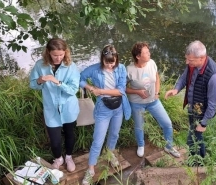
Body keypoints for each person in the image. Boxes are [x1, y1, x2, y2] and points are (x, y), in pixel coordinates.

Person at [80, 45, 131, 184]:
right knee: (98, 140)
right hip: (103, 108)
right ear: (102, 59)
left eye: (112, 62)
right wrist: (90, 87)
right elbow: (80, 77)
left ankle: (109, 154)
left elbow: (121, 90)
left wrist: (100, 91)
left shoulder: (121, 68)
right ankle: (90, 169)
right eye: (106, 62)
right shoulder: (95, 69)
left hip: (118, 107)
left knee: (114, 134)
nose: (109, 65)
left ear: (116, 59)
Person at [165, 40, 216, 160]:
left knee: (194, 138)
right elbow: (184, 77)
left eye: (190, 60)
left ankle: (197, 162)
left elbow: (213, 104)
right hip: (193, 108)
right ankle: (198, 159)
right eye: (187, 59)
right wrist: (176, 89)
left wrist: (203, 123)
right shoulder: (193, 64)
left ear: (201, 58)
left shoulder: (214, 77)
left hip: (203, 113)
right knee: (196, 136)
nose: (187, 62)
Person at [29, 38, 80, 172]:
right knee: (55, 139)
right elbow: (33, 84)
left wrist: (57, 82)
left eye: (61, 55)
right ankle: (58, 158)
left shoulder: (71, 66)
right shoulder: (40, 65)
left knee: (70, 134)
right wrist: (40, 80)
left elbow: (73, 90)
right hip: (51, 108)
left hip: (68, 107)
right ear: (48, 52)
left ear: (65, 52)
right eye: (55, 55)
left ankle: (69, 157)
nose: (58, 58)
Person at [126, 42, 180, 158]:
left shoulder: (151, 63)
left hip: (153, 102)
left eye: (148, 51)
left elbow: (156, 77)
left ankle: (169, 146)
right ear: (138, 56)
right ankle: (141, 145)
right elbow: (122, 88)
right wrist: (137, 92)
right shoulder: (129, 70)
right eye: (145, 52)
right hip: (137, 103)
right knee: (139, 126)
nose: (149, 53)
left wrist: (157, 92)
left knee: (167, 123)